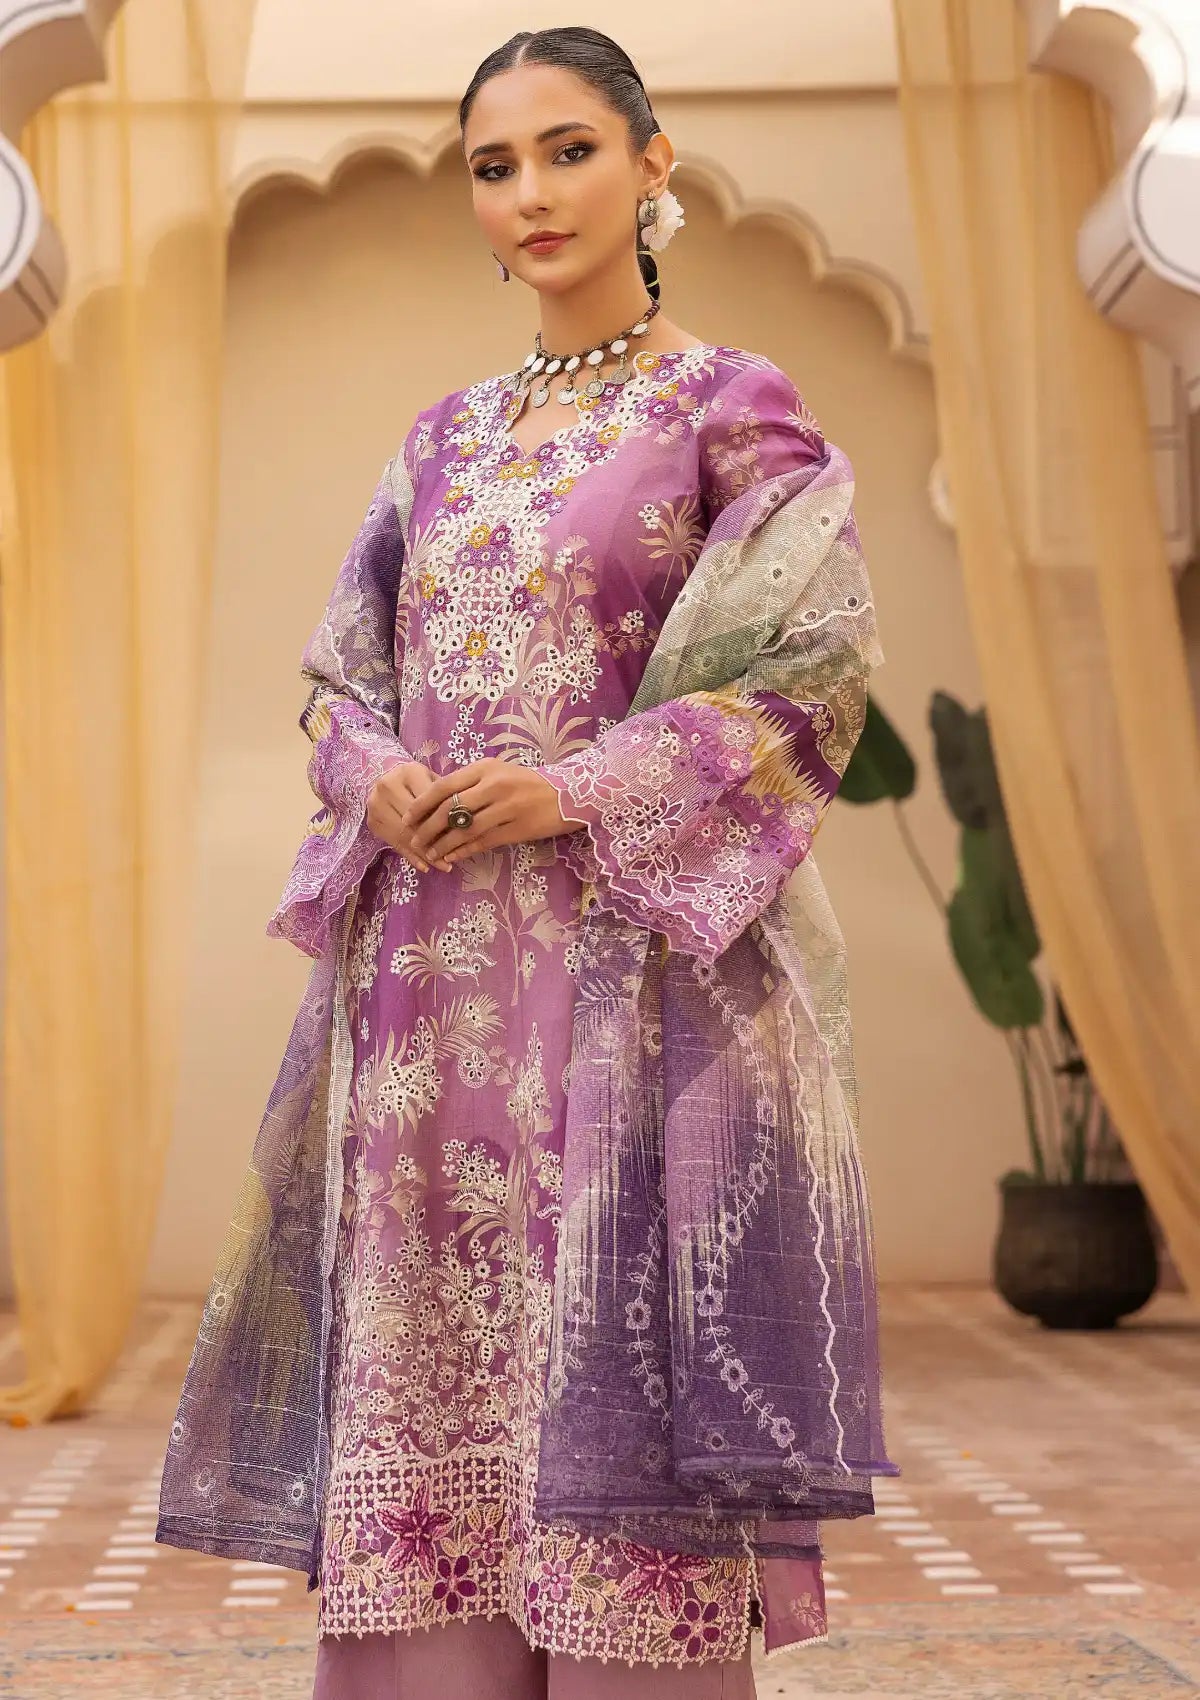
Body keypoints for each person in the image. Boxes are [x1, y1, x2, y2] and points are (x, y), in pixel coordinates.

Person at [155, 25, 899, 1699]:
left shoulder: (729, 408)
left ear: (653, 163)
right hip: (424, 1013)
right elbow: (341, 680)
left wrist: (570, 792)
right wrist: (377, 777)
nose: (532, 193)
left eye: (569, 150)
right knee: (435, 1384)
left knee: (606, 1356)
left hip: (625, 992)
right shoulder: (443, 440)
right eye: (494, 166)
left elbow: (810, 676)